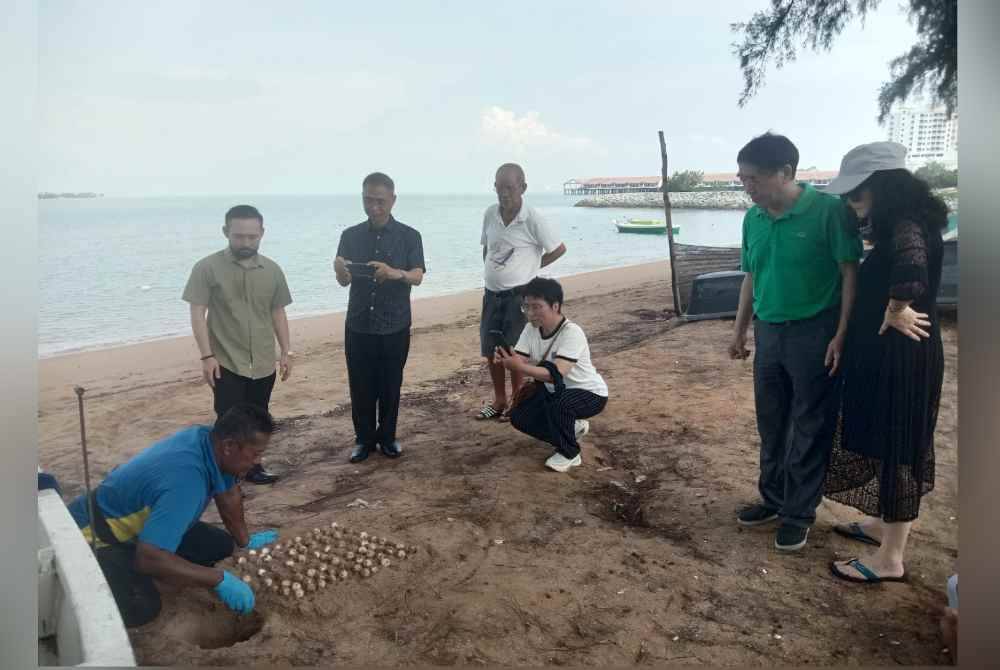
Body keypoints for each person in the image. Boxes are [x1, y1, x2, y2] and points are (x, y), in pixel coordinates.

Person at [821, 142, 947, 583]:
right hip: (890, 357)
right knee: (883, 440)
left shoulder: (907, 226)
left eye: (856, 195)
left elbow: (911, 271)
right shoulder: (905, 221)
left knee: (898, 447)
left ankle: (889, 560)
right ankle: (881, 525)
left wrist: (896, 308)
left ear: (883, 188)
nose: (852, 205)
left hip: (901, 361)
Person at [729, 132, 862, 551]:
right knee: (771, 421)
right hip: (769, 332)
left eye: (752, 178)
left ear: (785, 173)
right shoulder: (753, 218)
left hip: (814, 332)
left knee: (809, 423)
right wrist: (739, 330)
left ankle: (799, 512)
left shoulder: (829, 211)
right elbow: (751, 275)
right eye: (741, 177)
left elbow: (849, 275)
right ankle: (773, 498)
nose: (745, 185)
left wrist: (842, 334)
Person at [66, 403, 280, 627]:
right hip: (92, 538)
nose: (258, 461)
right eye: (255, 454)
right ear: (229, 446)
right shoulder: (187, 483)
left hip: (139, 525)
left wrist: (245, 542)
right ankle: (139, 577)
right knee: (141, 605)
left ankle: (156, 564)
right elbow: (147, 557)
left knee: (220, 545)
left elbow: (228, 496)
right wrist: (218, 579)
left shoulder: (208, 442)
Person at [183, 204, 293, 485]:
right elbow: (198, 312)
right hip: (226, 361)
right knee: (227, 423)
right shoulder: (206, 268)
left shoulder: (272, 270)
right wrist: (206, 356)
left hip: (264, 362)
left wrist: (286, 352)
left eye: (252, 237)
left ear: (262, 233)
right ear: (225, 232)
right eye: (239, 236)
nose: (246, 242)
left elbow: (277, 312)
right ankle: (221, 476)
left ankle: (253, 468)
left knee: (258, 421)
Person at [333, 172, 425, 463]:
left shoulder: (410, 236)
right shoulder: (349, 236)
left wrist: (394, 273)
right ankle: (363, 440)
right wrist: (339, 271)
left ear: (393, 200)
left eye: (380, 201)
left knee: (390, 384)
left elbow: (418, 276)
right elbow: (344, 281)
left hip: (394, 323)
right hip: (358, 323)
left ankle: (387, 437)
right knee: (360, 386)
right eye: (368, 200)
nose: (374, 207)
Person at [477, 163, 566, 421]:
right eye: (499, 187)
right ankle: (499, 400)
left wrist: (530, 270)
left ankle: (516, 400)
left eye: (510, 187)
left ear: (523, 188)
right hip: (491, 294)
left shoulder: (532, 218)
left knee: (516, 350)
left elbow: (558, 249)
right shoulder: (490, 214)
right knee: (491, 349)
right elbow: (487, 248)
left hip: (519, 297)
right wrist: (492, 271)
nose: (503, 193)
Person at [497, 277, 608, 472]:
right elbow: (519, 360)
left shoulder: (572, 332)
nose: (531, 313)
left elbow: (555, 374)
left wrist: (519, 367)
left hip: (589, 393)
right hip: (554, 392)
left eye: (537, 307)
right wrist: (506, 359)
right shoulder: (530, 329)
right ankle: (571, 430)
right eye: (526, 307)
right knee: (519, 416)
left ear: (555, 306)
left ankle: (570, 453)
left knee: (560, 405)